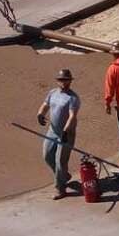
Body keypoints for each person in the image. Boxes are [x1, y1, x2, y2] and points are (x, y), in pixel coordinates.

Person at [38, 68, 80, 199]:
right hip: (52, 131)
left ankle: (60, 189)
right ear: (57, 81)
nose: (63, 82)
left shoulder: (73, 98)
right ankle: (64, 176)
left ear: (70, 81)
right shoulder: (52, 93)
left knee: (60, 161)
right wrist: (40, 114)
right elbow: (45, 105)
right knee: (47, 156)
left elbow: (72, 116)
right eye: (61, 80)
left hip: (66, 133)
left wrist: (66, 131)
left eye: (66, 80)